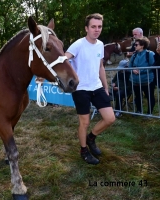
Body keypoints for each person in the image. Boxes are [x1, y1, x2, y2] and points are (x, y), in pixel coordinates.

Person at [65, 13, 115, 165]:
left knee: (110, 118)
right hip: (81, 89)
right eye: (93, 26)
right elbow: (63, 59)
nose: (97, 29)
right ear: (86, 28)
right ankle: (84, 150)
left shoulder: (100, 44)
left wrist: (105, 87)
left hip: (97, 87)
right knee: (84, 122)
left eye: (99, 27)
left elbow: (100, 67)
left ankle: (91, 138)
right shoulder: (78, 44)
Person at [128, 38, 155, 115]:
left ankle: (149, 113)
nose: (134, 46)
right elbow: (129, 66)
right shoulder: (134, 55)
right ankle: (139, 110)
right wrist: (132, 70)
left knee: (149, 96)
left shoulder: (149, 54)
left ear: (142, 46)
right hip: (135, 81)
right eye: (134, 45)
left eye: (136, 45)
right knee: (137, 96)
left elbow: (152, 66)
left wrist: (140, 71)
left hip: (147, 80)